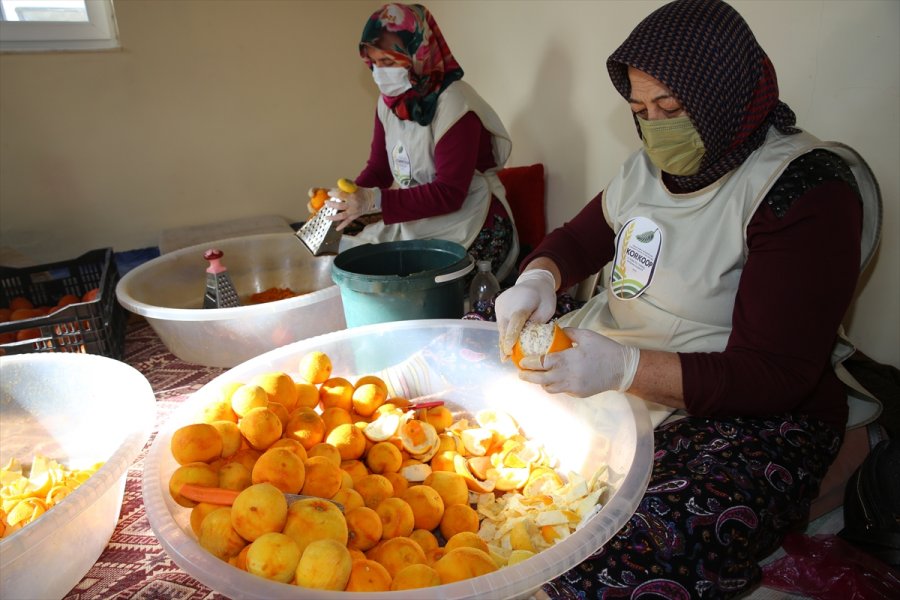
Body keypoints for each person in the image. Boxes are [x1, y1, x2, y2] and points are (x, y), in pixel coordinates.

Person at [494, 0, 882, 597]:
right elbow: (579, 239)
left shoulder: (805, 190)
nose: (656, 127)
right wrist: (539, 277)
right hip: (622, 344)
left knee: (636, 544)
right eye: (640, 111)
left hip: (742, 398)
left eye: (672, 109)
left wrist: (625, 369)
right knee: (477, 334)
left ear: (724, 94)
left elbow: (775, 374)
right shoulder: (648, 167)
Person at [312, 3, 519, 282]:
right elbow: (379, 170)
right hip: (423, 218)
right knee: (354, 262)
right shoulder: (390, 103)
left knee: (416, 286)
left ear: (418, 54)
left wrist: (373, 200)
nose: (379, 73)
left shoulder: (455, 104)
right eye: (373, 63)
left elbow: (449, 193)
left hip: (473, 221)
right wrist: (348, 198)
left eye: (388, 62)